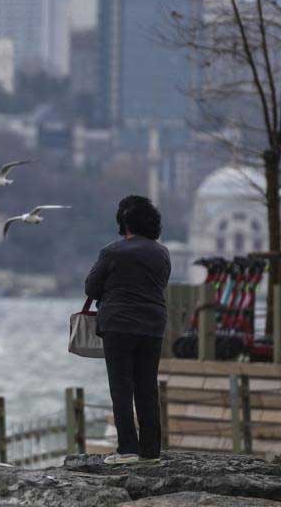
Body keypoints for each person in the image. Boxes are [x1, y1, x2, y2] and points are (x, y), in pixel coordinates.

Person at [84, 195, 170, 465]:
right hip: (153, 324)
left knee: (121, 387)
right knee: (147, 387)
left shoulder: (112, 252)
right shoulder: (162, 252)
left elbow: (91, 288)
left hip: (119, 325)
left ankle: (127, 450)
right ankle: (151, 452)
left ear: (125, 223)